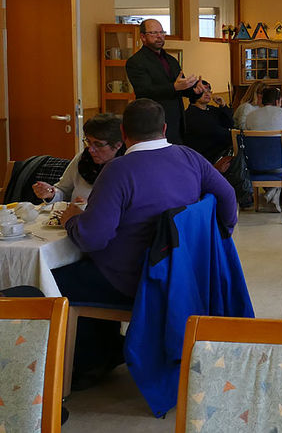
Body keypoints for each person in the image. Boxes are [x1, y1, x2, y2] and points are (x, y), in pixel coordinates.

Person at [53, 98, 237, 387]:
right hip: (183, 274)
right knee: (81, 272)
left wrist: (71, 219)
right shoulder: (190, 157)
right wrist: (209, 241)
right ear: (164, 128)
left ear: (124, 135)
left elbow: (93, 238)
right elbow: (228, 199)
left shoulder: (118, 171)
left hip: (134, 279)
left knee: (54, 279)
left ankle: (88, 364)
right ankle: (106, 353)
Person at [124, 18, 202, 144]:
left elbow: (181, 88)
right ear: (143, 37)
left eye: (162, 32)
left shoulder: (171, 60)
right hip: (152, 123)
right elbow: (144, 91)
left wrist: (195, 90)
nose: (159, 36)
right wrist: (174, 87)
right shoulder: (136, 62)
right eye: (154, 33)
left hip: (177, 122)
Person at [32, 113, 124, 205]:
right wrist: (51, 193)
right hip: (75, 217)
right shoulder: (83, 159)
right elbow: (63, 190)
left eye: (98, 144)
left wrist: (92, 208)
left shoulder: (126, 167)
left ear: (117, 145)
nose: (91, 149)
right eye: (88, 141)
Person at [245, 86, 282, 209]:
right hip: (278, 166)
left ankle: (272, 194)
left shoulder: (250, 115)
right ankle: (273, 194)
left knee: (278, 160)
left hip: (254, 165)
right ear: (277, 101)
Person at [183, 80, 234, 162]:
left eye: (209, 91)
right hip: (205, 157)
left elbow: (230, 124)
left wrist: (223, 105)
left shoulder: (212, 109)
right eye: (203, 91)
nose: (207, 94)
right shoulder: (191, 114)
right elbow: (216, 132)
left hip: (221, 152)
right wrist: (233, 134)